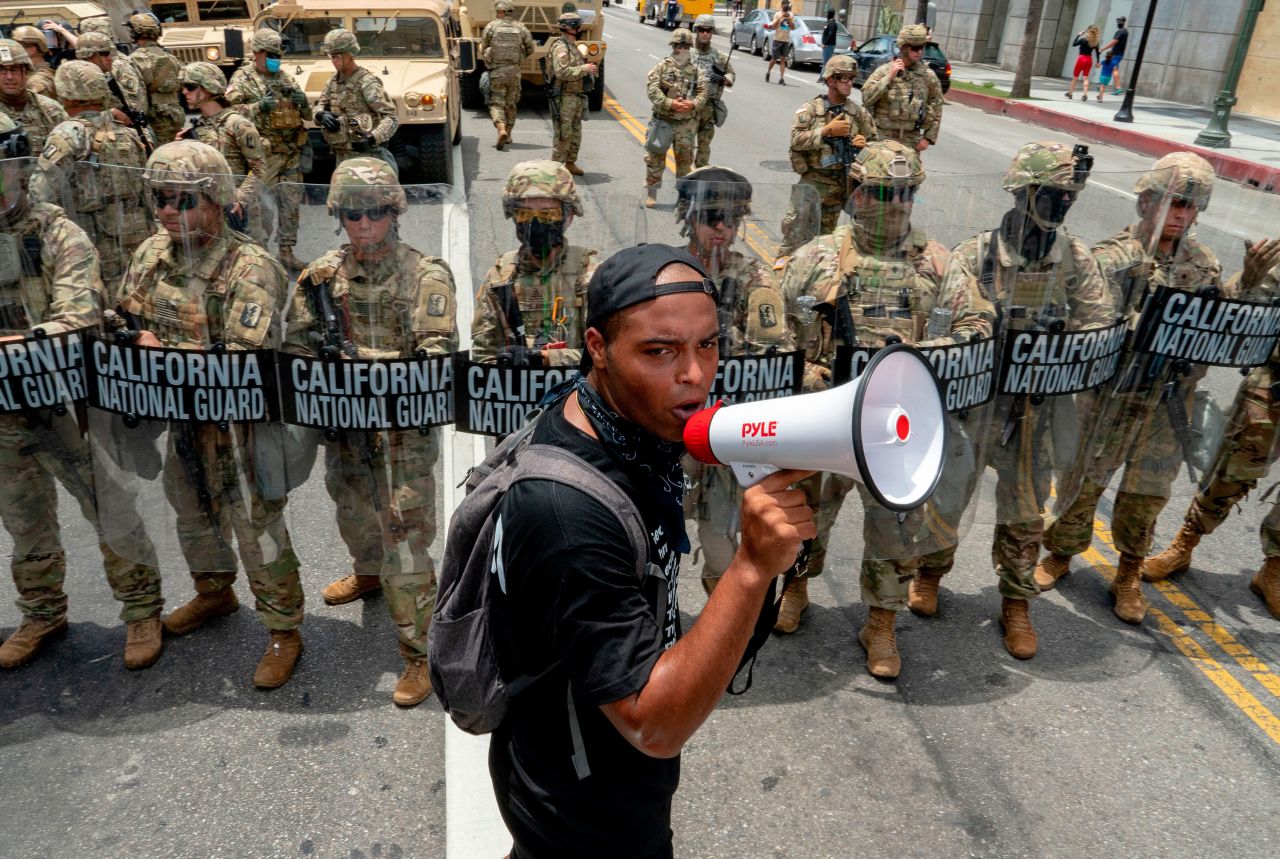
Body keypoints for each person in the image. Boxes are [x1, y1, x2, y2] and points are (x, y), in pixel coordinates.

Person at [486, 242, 815, 857]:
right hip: (584, 810)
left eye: (708, 344)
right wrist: (749, 569)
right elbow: (653, 724)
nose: (693, 374)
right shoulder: (568, 517)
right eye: (659, 351)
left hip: (588, 767)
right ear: (597, 348)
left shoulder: (611, 420)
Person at [113, 141, 306, 689]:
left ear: (217, 200)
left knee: (256, 528)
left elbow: (245, 360)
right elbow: (126, 315)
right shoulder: (150, 254)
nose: (168, 211)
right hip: (181, 421)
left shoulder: (250, 265)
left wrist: (161, 352)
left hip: (241, 427)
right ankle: (213, 593)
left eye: (181, 199)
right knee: (192, 515)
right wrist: (130, 337)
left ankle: (283, 629)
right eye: (160, 199)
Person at [778, 142, 953, 670]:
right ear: (857, 193)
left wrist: (925, 359)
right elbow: (774, 332)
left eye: (905, 193)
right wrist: (806, 372)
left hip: (896, 426)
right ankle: (796, 590)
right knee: (807, 514)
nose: (894, 204)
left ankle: (881, 624)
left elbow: (974, 329)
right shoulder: (815, 259)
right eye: (881, 192)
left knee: (896, 525)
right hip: (827, 418)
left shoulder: (937, 263)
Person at [291, 157, 458, 707]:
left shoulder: (424, 274)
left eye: (377, 213)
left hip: (401, 436)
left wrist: (358, 360)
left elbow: (434, 357)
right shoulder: (319, 278)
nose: (364, 225)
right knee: (351, 509)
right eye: (354, 214)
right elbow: (293, 349)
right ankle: (366, 573)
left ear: (395, 213)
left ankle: (420, 651)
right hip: (344, 430)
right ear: (338, 215)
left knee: (405, 539)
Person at [0, 114, 165, 671]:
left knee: (108, 506)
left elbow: (76, 314)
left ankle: (142, 609)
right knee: (24, 519)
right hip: (5, 408)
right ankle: (42, 611)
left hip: (69, 399)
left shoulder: (57, 232)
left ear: (20, 171)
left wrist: (18, 342)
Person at [933, 142, 1111, 659]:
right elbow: (951, 322)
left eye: (1069, 196)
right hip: (980, 404)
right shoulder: (976, 255)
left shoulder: (1075, 257)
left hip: (1037, 406)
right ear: (1024, 192)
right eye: (1052, 194)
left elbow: (1098, 319)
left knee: (1027, 510)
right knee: (949, 495)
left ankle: (1015, 600)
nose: (1062, 205)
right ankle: (929, 574)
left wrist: (1068, 337)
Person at [1037, 153, 1225, 625]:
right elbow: (1084, 323)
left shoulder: (1204, 265)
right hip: (1110, 398)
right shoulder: (1111, 257)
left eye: (1193, 206)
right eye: (1176, 202)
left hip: (1167, 403)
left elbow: (1216, 331)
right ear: (1146, 201)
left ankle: (1128, 573)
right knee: (1082, 482)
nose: (1184, 214)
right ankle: (1060, 554)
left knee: (1148, 491)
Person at [1140, 237, 1280, 620]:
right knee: (1231, 472)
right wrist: (1252, 278)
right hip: (1273, 387)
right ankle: (1184, 544)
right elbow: (1238, 311)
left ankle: (1273, 570)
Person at [676, 166, 794, 595]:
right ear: (689, 217)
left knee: (720, 541)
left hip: (727, 432)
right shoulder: (666, 274)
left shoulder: (754, 280)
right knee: (653, 529)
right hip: (673, 429)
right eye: (710, 216)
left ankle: (723, 629)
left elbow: (775, 352)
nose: (721, 227)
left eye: (730, 217)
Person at [29, 60, 150, 285]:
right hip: (137, 235)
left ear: (65, 93)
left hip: (92, 239)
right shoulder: (130, 132)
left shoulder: (68, 133)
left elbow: (40, 193)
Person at [472, 159, 598, 367]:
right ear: (514, 217)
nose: (536, 223)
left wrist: (547, 360)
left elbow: (606, 356)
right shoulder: (500, 276)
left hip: (575, 395)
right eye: (524, 213)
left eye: (548, 214)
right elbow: (483, 355)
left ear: (568, 216)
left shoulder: (590, 274)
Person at [227, 28, 313, 273]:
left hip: (290, 153)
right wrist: (257, 107)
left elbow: (307, 115)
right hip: (263, 156)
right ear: (257, 53)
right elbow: (228, 114)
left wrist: (303, 102)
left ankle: (286, 252)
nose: (277, 59)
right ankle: (260, 256)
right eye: (272, 54)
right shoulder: (242, 79)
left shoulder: (286, 78)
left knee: (291, 206)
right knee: (260, 211)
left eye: (279, 54)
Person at [777, 54, 876, 258]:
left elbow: (877, 146)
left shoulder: (858, 113)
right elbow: (795, 139)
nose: (849, 83)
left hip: (840, 188)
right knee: (792, 241)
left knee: (824, 247)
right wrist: (825, 132)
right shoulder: (811, 110)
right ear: (830, 80)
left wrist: (866, 145)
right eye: (844, 78)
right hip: (812, 185)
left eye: (852, 78)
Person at [176, 62, 269, 245]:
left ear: (208, 88)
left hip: (238, 212)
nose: (184, 92)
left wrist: (240, 199)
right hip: (209, 211)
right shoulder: (197, 127)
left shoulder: (237, 125)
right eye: (184, 87)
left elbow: (259, 168)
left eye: (191, 87)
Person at [315, 28, 398, 167]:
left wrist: (373, 138)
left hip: (368, 158)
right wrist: (320, 115)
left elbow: (391, 117)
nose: (333, 61)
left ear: (349, 54)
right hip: (342, 156)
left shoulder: (367, 82)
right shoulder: (333, 82)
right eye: (330, 56)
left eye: (336, 56)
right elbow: (320, 104)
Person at [643, 29, 706, 208]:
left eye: (686, 46)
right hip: (663, 122)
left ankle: (684, 197)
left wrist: (692, 104)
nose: (682, 49)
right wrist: (670, 103)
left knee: (685, 164)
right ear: (673, 46)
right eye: (679, 45)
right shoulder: (662, 66)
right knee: (655, 160)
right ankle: (652, 192)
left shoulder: (696, 71)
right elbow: (652, 90)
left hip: (685, 125)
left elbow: (703, 92)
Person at [860, 24, 943, 154]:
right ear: (904, 47)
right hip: (882, 140)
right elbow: (866, 99)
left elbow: (937, 106)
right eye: (915, 48)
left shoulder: (928, 76)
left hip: (911, 143)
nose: (919, 52)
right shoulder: (884, 71)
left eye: (922, 47)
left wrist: (928, 138)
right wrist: (889, 77)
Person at [547, 12, 597, 176]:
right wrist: (584, 69)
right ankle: (555, 168)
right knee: (563, 134)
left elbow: (576, 69)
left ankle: (570, 163)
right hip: (563, 97)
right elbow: (562, 72)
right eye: (578, 25)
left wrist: (588, 71)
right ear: (571, 28)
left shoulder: (573, 46)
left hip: (575, 96)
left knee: (575, 133)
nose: (580, 28)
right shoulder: (560, 47)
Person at [481, 0, 534, 151]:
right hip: (514, 72)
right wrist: (519, 59)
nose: (497, 14)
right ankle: (509, 134)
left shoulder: (492, 26)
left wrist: (489, 58)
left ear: (502, 12)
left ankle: (501, 128)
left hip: (497, 71)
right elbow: (530, 47)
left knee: (497, 103)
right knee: (511, 105)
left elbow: (483, 46)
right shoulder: (521, 28)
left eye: (498, 11)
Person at [0, 38, 68, 154]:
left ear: (25, 72)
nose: (9, 77)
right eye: (1, 70)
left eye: (15, 69)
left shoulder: (50, 110)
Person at [125, 12, 184, 145]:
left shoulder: (135, 59)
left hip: (154, 118)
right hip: (175, 116)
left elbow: (134, 93)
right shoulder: (172, 58)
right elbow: (182, 84)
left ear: (134, 33)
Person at [74, 31, 150, 132]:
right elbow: (75, 119)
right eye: (104, 54)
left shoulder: (107, 77)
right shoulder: (76, 80)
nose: (110, 59)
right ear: (87, 54)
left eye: (109, 54)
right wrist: (111, 114)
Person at [690, 14, 734, 170]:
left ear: (712, 33)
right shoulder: (687, 54)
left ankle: (699, 179)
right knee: (686, 149)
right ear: (696, 31)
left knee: (704, 149)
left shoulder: (718, 56)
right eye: (702, 30)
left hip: (708, 109)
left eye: (708, 31)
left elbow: (731, 76)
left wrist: (723, 79)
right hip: (690, 108)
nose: (705, 33)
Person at [9, 25, 55, 100]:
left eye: (17, 47)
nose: (14, 52)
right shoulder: (31, 73)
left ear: (32, 50)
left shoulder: (37, 81)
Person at [764, 0, 795, 86]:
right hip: (777, 39)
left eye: (787, 5)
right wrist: (780, 18)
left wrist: (788, 18)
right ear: (782, 5)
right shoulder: (777, 14)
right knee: (774, 59)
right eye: (784, 4)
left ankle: (781, 78)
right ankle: (768, 72)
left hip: (786, 40)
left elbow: (792, 27)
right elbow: (773, 27)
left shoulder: (791, 15)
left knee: (783, 60)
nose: (786, 6)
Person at [1065, 25, 1100, 100]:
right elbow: (1097, 53)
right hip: (1089, 60)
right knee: (1085, 77)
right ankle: (1085, 95)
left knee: (1075, 77)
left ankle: (1070, 93)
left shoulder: (1083, 40)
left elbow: (1074, 44)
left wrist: (1078, 35)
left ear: (1088, 31)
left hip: (1081, 58)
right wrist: (1098, 62)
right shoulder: (1095, 43)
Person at [1100, 16, 1129, 95]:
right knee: (1112, 69)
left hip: (1116, 54)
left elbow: (1114, 42)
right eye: (1118, 21)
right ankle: (1105, 85)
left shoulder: (1120, 31)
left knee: (1114, 69)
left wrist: (1103, 48)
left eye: (1120, 21)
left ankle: (1118, 88)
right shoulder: (1125, 31)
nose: (1118, 23)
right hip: (1118, 54)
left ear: (1123, 22)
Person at [819, 10, 838, 84]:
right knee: (825, 62)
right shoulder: (829, 22)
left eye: (827, 14)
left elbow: (830, 35)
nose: (826, 15)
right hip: (827, 45)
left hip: (828, 45)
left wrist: (825, 43)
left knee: (826, 62)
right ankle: (822, 77)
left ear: (829, 14)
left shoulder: (832, 24)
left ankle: (823, 77)